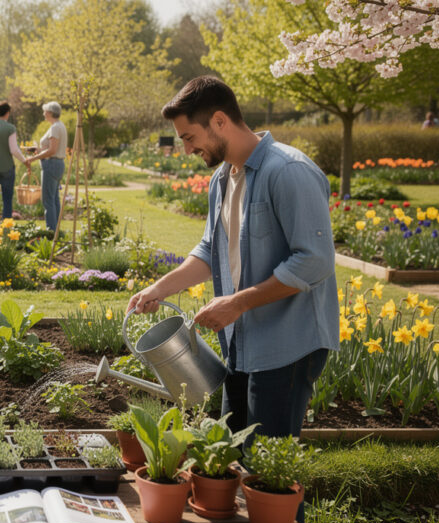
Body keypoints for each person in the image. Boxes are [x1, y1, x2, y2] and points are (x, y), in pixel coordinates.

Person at [128, 76, 339, 446]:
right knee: (234, 458)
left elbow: (314, 261)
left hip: (287, 345)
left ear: (220, 121)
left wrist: (236, 304)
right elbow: (211, 249)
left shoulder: (288, 171)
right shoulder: (222, 180)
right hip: (242, 343)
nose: (188, 149)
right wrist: (159, 288)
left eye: (190, 137)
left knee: (269, 475)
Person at [25, 102, 68, 231]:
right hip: (57, 164)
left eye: (44, 111)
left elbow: (52, 151)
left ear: (49, 112)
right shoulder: (60, 126)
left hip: (51, 164)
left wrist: (33, 158)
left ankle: (51, 231)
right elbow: (51, 148)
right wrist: (37, 149)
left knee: (48, 200)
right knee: (54, 198)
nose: (43, 114)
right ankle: (56, 231)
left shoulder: (55, 127)